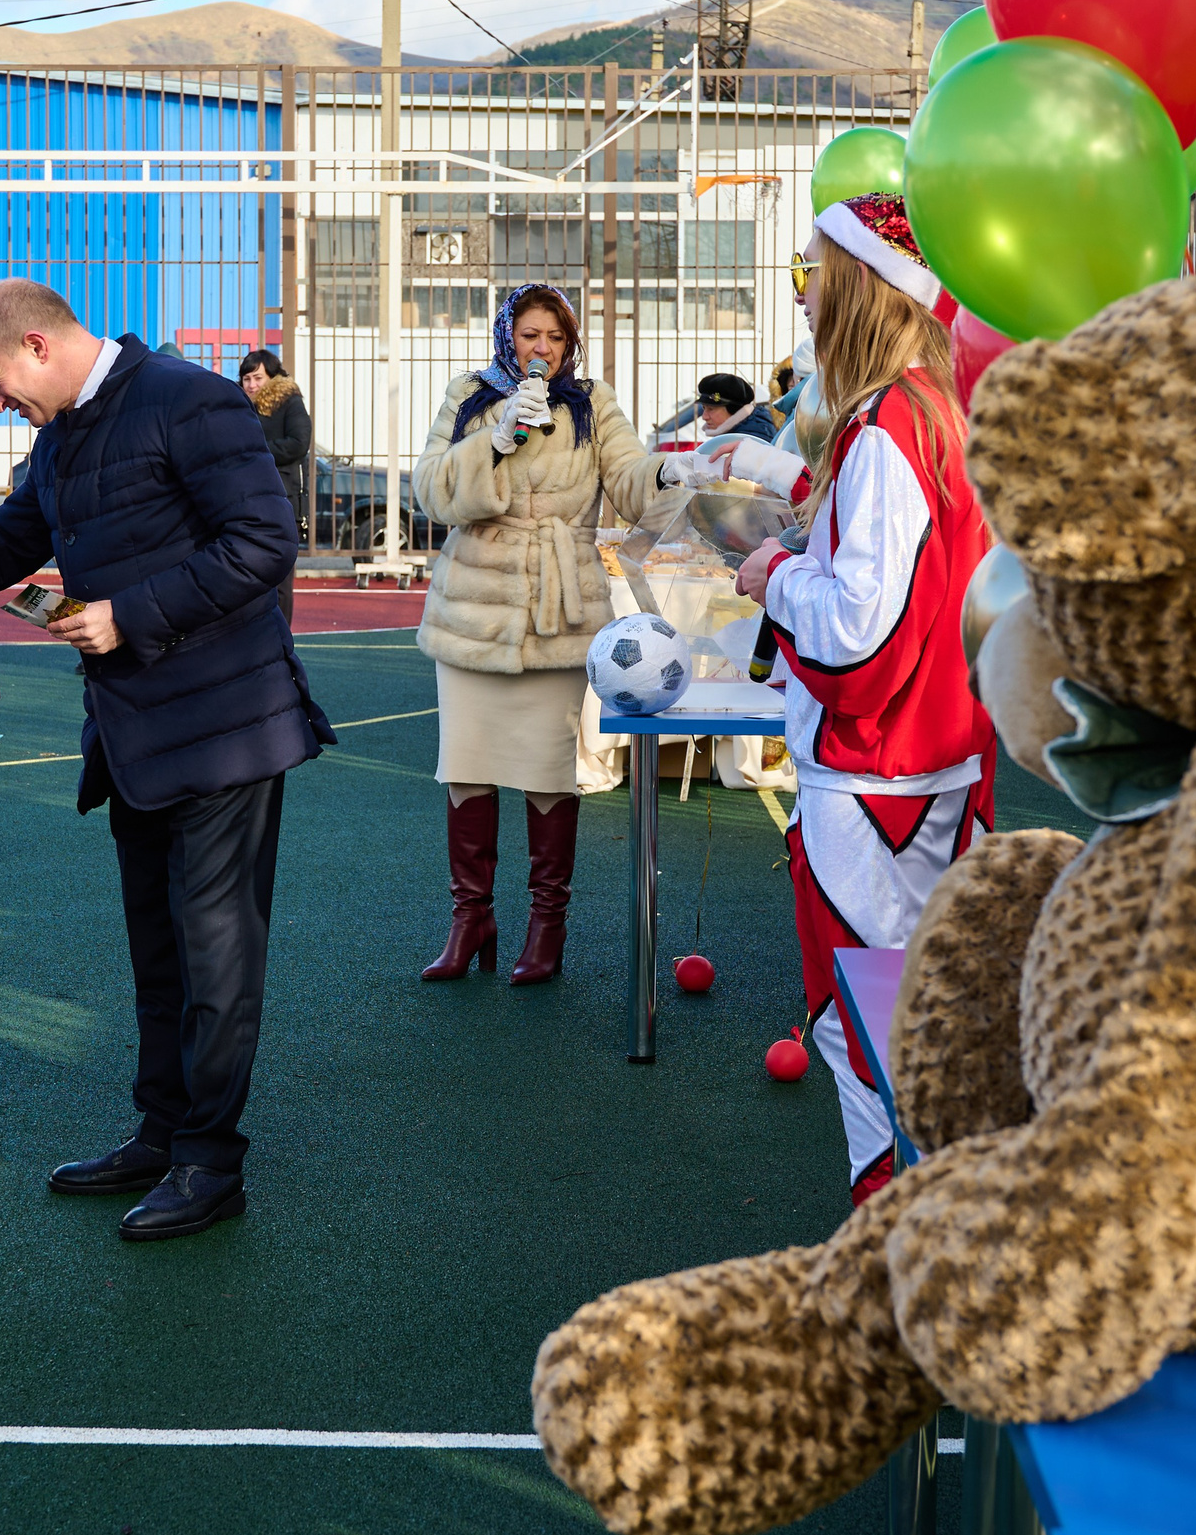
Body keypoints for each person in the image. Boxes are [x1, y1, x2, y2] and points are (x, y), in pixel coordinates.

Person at [0, 278, 331, 1244]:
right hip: (136, 733)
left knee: (217, 957)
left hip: (227, 727)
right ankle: (164, 1131)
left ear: (39, 346)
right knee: (160, 950)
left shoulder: (190, 399)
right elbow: (1, 546)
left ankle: (212, 1163)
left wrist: (128, 614)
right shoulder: (60, 440)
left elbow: (266, 541)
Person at [730, 194, 994, 1206]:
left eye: (813, 275)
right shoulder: (936, 408)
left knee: (862, 1026)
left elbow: (856, 631)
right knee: (929, 1020)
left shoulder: (887, 425)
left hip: (879, 773)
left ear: (860, 289)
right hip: (939, 759)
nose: (803, 296)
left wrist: (774, 575)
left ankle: (894, 1254)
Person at [410, 283, 677, 986]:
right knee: (465, 768)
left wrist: (673, 471)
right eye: (530, 335)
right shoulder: (468, 394)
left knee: (548, 774)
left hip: (560, 611)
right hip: (473, 609)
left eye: (555, 338)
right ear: (508, 336)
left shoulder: (593, 402)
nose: (543, 350)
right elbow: (431, 492)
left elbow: (629, 479)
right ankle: (470, 919)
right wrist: (492, 444)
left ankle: (544, 925)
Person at [239, 349, 313, 620]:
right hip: (245, 500)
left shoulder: (289, 402)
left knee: (280, 579)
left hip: (282, 499)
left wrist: (255, 452)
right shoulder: (238, 404)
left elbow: (298, 443)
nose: (251, 385)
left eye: (257, 377)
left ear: (272, 377)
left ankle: (282, 639)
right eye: (246, 378)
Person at [692, 372, 778, 448]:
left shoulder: (751, 439)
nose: (704, 417)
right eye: (704, 408)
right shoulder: (742, 432)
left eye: (711, 409)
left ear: (733, 409)